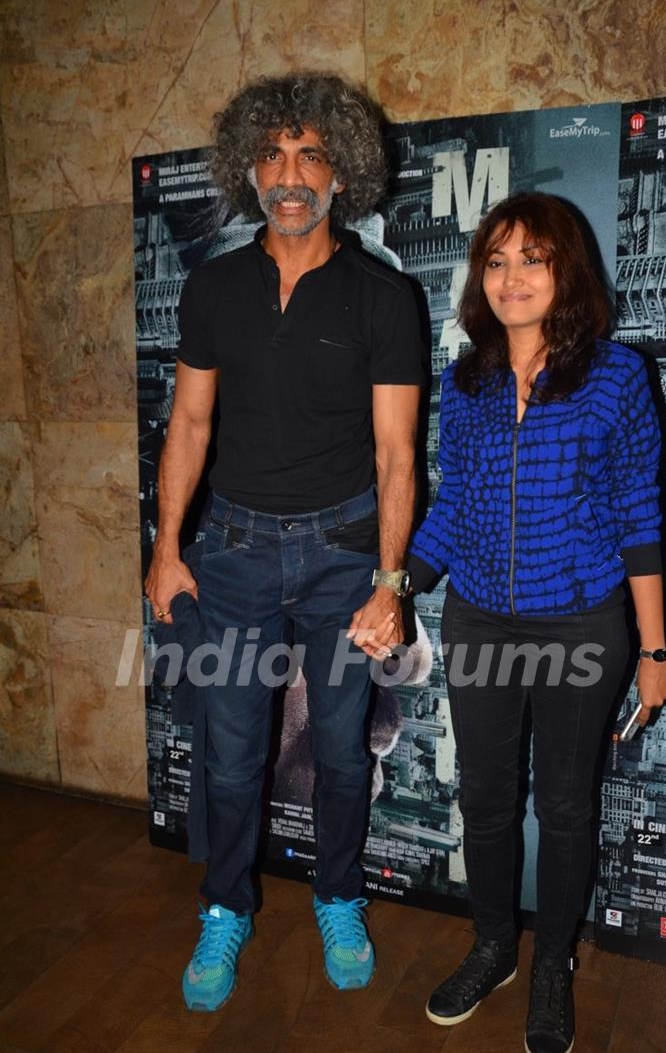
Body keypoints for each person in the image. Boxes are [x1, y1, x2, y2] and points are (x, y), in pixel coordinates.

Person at [144, 72, 424, 1011]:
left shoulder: (386, 299)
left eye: (309, 155)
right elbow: (186, 426)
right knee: (228, 754)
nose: (290, 174)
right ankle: (225, 909)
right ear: (248, 171)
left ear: (342, 171)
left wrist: (390, 582)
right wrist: (164, 547)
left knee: (344, 753)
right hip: (230, 556)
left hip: (346, 558)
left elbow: (395, 456)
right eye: (272, 155)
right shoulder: (213, 286)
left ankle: (339, 897)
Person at [407, 192, 666, 1053]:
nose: (512, 277)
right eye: (496, 260)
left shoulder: (617, 376)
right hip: (480, 620)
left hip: (582, 626)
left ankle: (552, 964)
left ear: (566, 272)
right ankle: (494, 946)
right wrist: (395, 583)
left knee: (564, 805)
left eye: (532, 258)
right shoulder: (468, 379)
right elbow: (456, 508)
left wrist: (656, 650)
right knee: (484, 801)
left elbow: (640, 517)